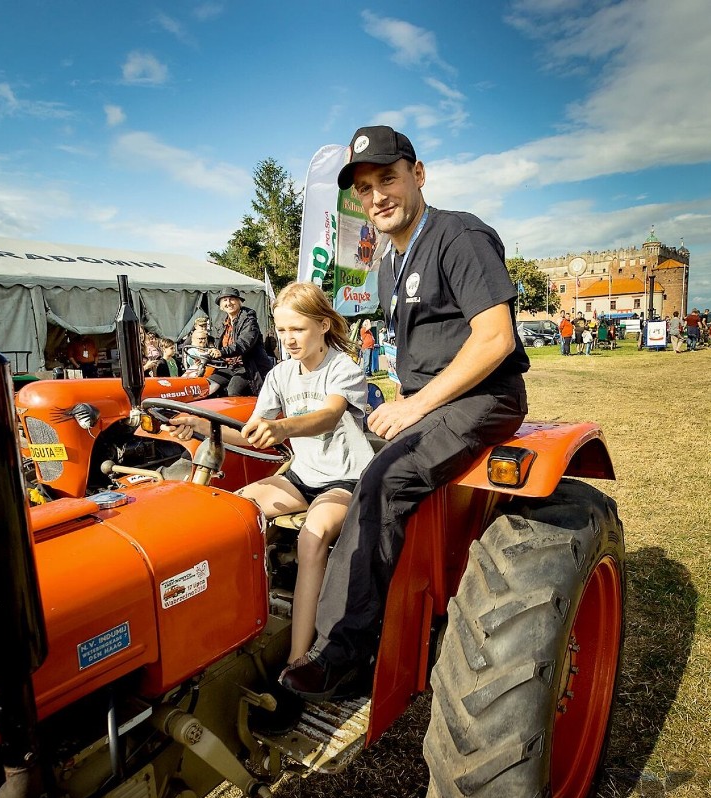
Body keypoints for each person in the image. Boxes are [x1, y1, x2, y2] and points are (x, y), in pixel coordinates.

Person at [279, 125, 530, 702]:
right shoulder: (391, 262)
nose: (376, 198)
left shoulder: (458, 236)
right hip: (436, 398)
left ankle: (343, 654)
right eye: (364, 189)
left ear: (418, 175)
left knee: (383, 479)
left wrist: (415, 404)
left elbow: (494, 339)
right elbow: (418, 352)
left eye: (386, 179)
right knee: (359, 467)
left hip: (485, 397)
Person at [168, 281, 375, 730]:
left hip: (347, 478)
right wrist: (200, 426)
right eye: (282, 331)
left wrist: (284, 430)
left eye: (298, 328)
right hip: (302, 475)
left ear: (323, 325)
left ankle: (299, 662)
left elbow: (328, 416)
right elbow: (249, 432)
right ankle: (234, 623)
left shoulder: (344, 369)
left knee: (314, 534)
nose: (289, 339)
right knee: (238, 510)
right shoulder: (281, 375)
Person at [208, 288, 274, 396]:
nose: (228, 303)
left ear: (239, 302)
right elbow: (217, 345)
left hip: (249, 367)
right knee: (207, 387)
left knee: (233, 390)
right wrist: (208, 352)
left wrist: (222, 352)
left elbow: (244, 343)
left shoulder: (249, 320)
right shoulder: (223, 324)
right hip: (229, 367)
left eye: (232, 299)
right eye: (224, 300)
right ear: (220, 306)